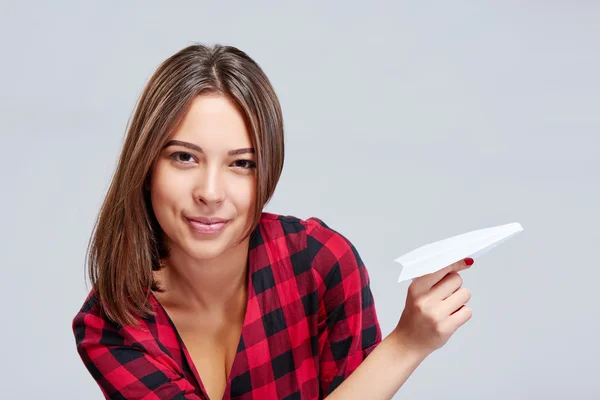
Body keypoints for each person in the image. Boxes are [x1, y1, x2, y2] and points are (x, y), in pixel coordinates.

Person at [72, 43, 475, 400]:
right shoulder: (110, 325)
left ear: (267, 173)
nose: (210, 192)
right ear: (146, 167)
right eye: (184, 157)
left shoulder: (321, 266)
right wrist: (405, 345)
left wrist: (411, 341)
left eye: (241, 164)